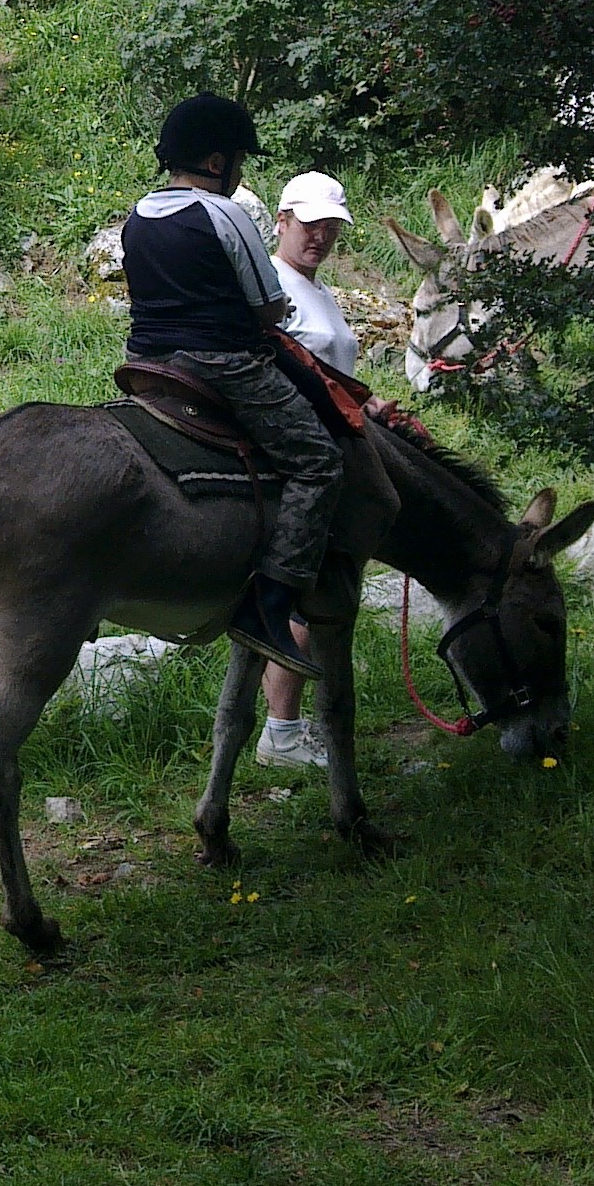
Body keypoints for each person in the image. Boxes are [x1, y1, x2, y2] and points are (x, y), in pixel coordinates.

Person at [120, 94, 340, 680]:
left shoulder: (137, 215)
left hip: (146, 362)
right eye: (239, 160)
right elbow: (270, 307)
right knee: (318, 461)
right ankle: (271, 602)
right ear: (217, 163)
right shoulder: (226, 213)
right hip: (223, 364)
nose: (241, 172)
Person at [255, 170, 359, 766]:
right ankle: (283, 734)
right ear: (282, 221)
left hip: (332, 451)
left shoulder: (319, 291)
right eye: (309, 224)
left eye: (330, 227)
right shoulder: (273, 286)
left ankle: (291, 730)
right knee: (302, 590)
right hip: (300, 462)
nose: (319, 236)